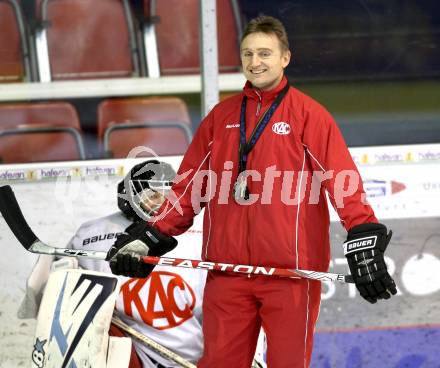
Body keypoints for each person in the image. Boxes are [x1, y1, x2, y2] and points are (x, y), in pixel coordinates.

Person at [107, 16, 397, 367]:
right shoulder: (221, 117)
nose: (255, 62)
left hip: (291, 276)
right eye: (248, 54)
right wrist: (151, 235)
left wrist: (362, 232)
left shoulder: (309, 116)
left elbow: (342, 182)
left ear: (285, 57)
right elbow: (189, 188)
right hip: (228, 273)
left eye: (265, 53)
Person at [20, 160, 205, 368]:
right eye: (152, 195)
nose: (161, 202)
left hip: (192, 354)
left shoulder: (202, 233)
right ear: (129, 198)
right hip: (125, 348)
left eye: (167, 193)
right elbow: (65, 297)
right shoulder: (90, 234)